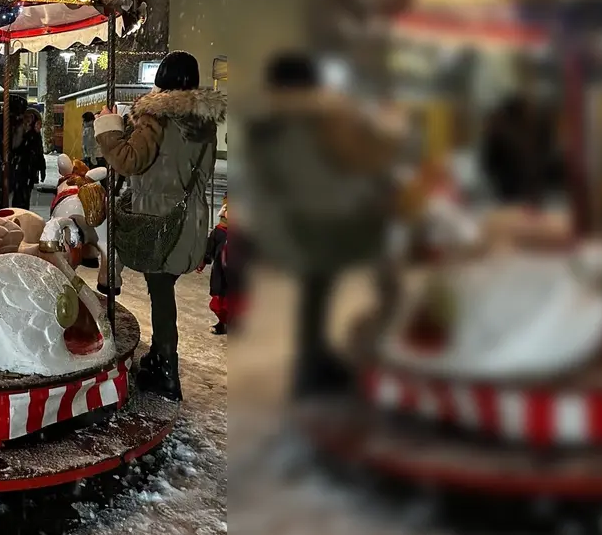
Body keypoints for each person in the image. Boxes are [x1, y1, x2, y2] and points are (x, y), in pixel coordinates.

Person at [233, 51, 403, 398]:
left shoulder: (268, 124)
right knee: (366, 282)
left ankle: (313, 363)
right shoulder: (320, 118)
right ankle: (330, 361)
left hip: (301, 223)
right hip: (331, 220)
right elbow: (351, 166)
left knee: (317, 293)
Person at [94, 50, 225, 400]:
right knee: (163, 290)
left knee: (161, 291)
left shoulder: (157, 116)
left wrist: (109, 128)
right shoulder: (204, 123)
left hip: (159, 219)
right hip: (192, 219)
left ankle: (167, 367)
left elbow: (127, 160)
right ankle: (161, 358)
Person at [202, 199, 241, 335]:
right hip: (220, 274)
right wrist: (203, 261)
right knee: (218, 303)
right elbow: (210, 249)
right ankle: (223, 323)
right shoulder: (218, 232)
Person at [15, 112, 47, 209]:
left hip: (28, 168)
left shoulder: (33, 136)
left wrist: (42, 169)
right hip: (25, 168)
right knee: (23, 193)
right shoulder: (28, 135)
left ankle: (23, 209)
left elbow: (39, 154)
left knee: (24, 193)